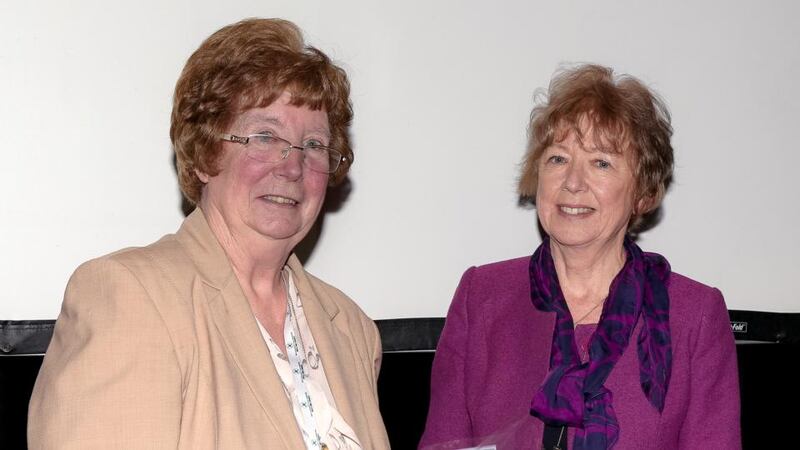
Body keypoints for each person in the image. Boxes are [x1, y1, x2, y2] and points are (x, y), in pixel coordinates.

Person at [28, 18, 390, 450]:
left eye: (313, 144)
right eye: (263, 136)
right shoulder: (131, 297)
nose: (292, 166)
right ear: (203, 154)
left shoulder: (351, 328)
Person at [419, 64, 740, 449]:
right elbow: (441, 442)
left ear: (642, 190)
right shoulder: (482, 296)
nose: (572, 182)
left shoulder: (694, 315)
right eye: (558, 158)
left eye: (601, 163)